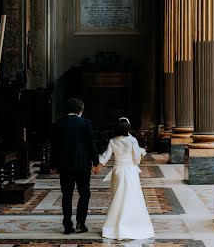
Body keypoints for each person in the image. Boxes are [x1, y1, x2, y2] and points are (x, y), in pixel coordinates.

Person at [99, 117, 155, 240]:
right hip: (130, 171)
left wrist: (98, 166)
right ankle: (131, 224)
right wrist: (139, 154)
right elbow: (136, 158)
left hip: (117, 171)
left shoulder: (113, 140)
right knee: (131, 197)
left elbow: (106, 155)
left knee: (117, 197)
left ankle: (114, 225)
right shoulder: (133, 140)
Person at [50, 98, 100, 234]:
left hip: (65, 166)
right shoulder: (85, 123)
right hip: (83, 166)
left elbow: (53, 147)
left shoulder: (58, 124)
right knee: (84, 194)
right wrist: (96, 162)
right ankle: (81, 223)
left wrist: (53, 165)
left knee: (67, 195)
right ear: (80, 110)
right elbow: (91, 145)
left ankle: (67, 225)